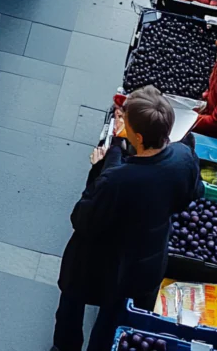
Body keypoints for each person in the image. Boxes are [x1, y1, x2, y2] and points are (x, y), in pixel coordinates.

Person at [52, 86, 203, 351]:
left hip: (100, 258)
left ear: (139, 136)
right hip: (147, 258)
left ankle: (65, 346)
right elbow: (192, 193)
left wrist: (103, 164)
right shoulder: (184, 157)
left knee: (72, 302)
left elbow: (83, 218)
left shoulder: (117, 179)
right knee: (114, 317)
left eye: (126, 122)